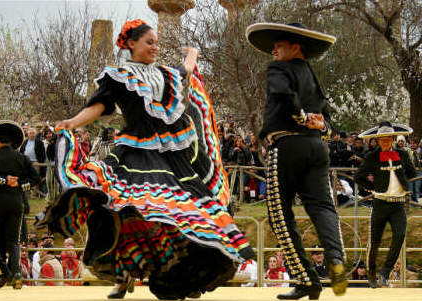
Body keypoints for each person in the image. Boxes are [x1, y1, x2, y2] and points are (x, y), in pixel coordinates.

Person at [36, 19, 253, 300]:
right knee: (122, 207)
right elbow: (99, 106)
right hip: (134, 153)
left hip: (170, 156)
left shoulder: (164, 74)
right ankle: (121, 276)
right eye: (149, 42)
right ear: (131, 44)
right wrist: (72, 123)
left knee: (177, 212)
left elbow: (185, 70)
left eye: (156, 43)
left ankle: (177, 276)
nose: (155, 47)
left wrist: (192, 54)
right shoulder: (118, 76)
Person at [246, 22, 347, 300]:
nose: (273, 50)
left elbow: (281, 93)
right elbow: (328, 122)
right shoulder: (312, 77)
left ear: (296, 46)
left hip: (287, 145)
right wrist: (320, 126)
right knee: (323, 207)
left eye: (279, 45)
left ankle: (305, 279)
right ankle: (336, 259)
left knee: (279, 215)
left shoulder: (278, 69)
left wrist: (301, 117)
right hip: (316, 148)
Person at [0, 120, 41, 289]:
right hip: (17, 201)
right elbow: (36, 179)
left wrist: (4, 180)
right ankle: (17, 273)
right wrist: (19, 184)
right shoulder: (22, 157)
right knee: (13, 240)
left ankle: (3, 271)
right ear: (11, 143)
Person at [354, 121, 417, 288]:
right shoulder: (372, 156)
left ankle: (385, 272)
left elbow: (412, 171)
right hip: (380, 203)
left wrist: (402, 179)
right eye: (382, 139)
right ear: (377, 140)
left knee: (400, 235)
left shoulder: (403, 154)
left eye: (388, 139)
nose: (385, 142)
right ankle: (372, 274)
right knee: (375, 241)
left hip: (398, 204)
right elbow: (359, 178)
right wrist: (373, 188)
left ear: (394, 139)